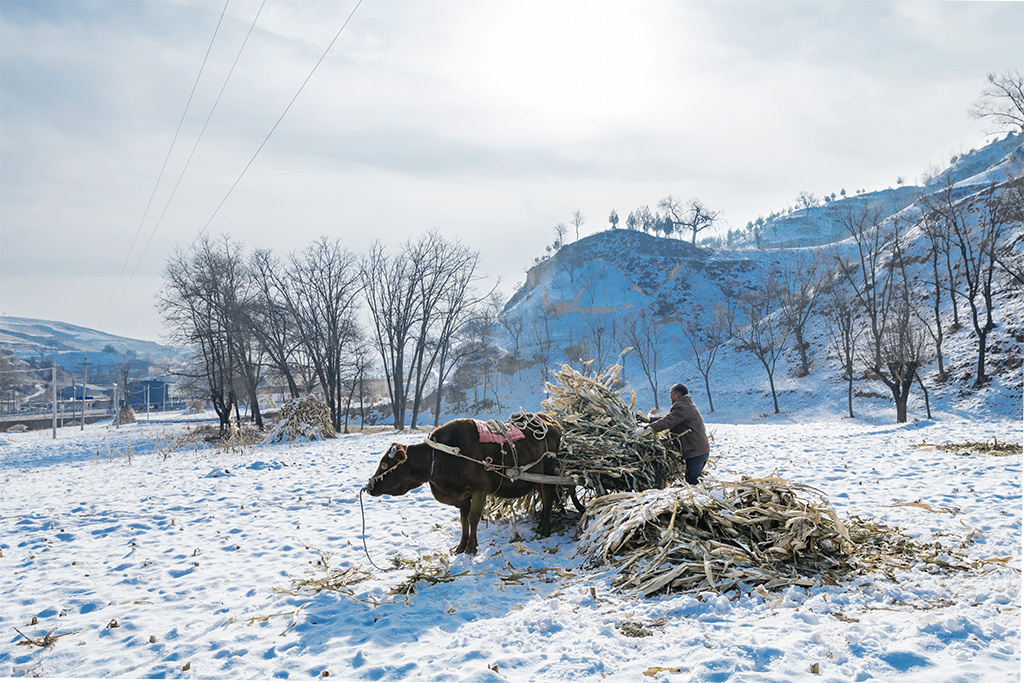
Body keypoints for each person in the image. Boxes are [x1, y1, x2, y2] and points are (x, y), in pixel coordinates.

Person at [633, 383, 710, 485]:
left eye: (671, 393)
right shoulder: (686, 405)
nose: (669, 396)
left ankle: (702, 495)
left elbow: (669, 421)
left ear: (677, 395)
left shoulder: (682, 406)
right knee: (693, 479)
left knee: (693, 481)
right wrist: (649, 420)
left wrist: (648, 428)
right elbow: (671, 417)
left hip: (695, 452)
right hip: (699, 450)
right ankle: (701, 493)